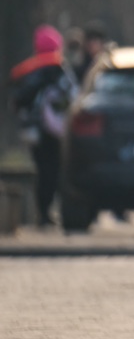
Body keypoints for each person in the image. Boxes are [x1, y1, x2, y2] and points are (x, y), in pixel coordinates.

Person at [9, 25, 77, 227]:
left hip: (34, 131)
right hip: (56, 131)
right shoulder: (60, 69)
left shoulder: (28, 70)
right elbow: (73, 96)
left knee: (41, 169)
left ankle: (42, 212)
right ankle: (47, 212)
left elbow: (17, 100)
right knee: (54, 170)